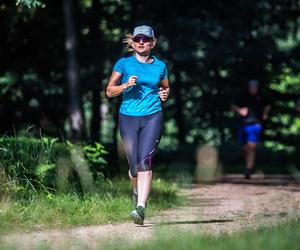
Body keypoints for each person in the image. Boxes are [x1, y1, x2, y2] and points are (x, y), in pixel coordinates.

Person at [106, 25, 169, 225]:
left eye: (146, 39)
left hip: (153, 116)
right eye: (138, 39)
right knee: (134, 168)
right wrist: (125, 85)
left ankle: (141, 207)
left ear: (152, 43)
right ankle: (136, 192)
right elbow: (109, 91)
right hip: (128, 118)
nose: (142, 42)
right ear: (133, 42)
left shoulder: (160, 66)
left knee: (145, 162)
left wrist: (164, 94)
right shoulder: (123, 64)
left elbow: (165, 88)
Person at [231, 79, 271, 179]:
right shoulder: (242, 96)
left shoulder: (262, 96)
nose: (254, 88)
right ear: (249, 87)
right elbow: (232, 107)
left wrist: (265, 114)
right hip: (243, 125)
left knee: (251, 146)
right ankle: (248, 165)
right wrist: (239, 110)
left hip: (255, 125)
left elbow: (268, 105)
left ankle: (248, 170)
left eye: (255, 87)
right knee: (244, 148)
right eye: (252, 86)